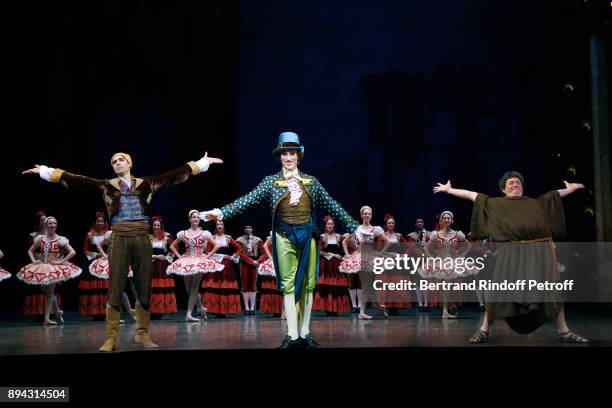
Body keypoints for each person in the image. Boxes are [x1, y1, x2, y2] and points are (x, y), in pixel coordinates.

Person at [22, 151, 222, 351]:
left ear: (130, 163)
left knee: (144, 286)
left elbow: (176, 174)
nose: (117, 163)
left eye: (121, 160)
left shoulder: (147, 183)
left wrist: (202, 163)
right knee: (116, 286)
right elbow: (75, 180)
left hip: (142, 237)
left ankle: (142, 333)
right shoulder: (106, 186)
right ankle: (111, 337)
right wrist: (44, 171)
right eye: (113, 162)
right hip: (118, 237)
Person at [200, 132, 358, 348]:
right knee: (288, 284)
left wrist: (354, 227)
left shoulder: (311, 182)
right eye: (285, 153)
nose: (288, 157)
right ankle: (292, 334)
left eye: (292, 153)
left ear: (299, 156)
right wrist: (220, 213)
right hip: (284, 236)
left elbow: (332, 205)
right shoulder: (270, 182)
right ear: (280, 157)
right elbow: (247, 200)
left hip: (308, 237)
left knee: (308, 285)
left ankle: (305, 332)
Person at [433, 171, 589, 343]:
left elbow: (554, 195)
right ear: (503, 189)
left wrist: (571, 189)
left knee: (551, 290)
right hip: (511, 252)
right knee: (498, 290)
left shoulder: (534, 203)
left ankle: (565, 331)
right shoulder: (495, 203)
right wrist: (449, 190)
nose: (515, 185)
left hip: (538, 252)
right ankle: (483, 330)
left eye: (518, 183)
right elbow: (472, 195)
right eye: (511, 183)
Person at [17, 216, 81, 325]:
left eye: (54, 223)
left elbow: (72, 252)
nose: (52, 225)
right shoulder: (40, 238)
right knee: (46, 292)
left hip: (53, 268)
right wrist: (33, 260)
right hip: (42, 266)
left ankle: (46, 318)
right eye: (50, 223)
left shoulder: (60, 239)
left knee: (49, 293)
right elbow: (30, 251)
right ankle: (58, 313)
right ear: (46, 225)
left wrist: (61, 262)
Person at [168, 210, 223, 322]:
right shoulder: (183, 233)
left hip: (199, 260)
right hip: (187, 260)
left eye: (198, 217)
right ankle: (201, 309)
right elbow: (172, 246)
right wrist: (179, 257)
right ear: (190, 219)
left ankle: (188, 314)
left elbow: (217, 245)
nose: (196, 219)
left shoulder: (204, 233)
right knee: (189, 289)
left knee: (194, 288)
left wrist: (207, 257)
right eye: (194, 217)